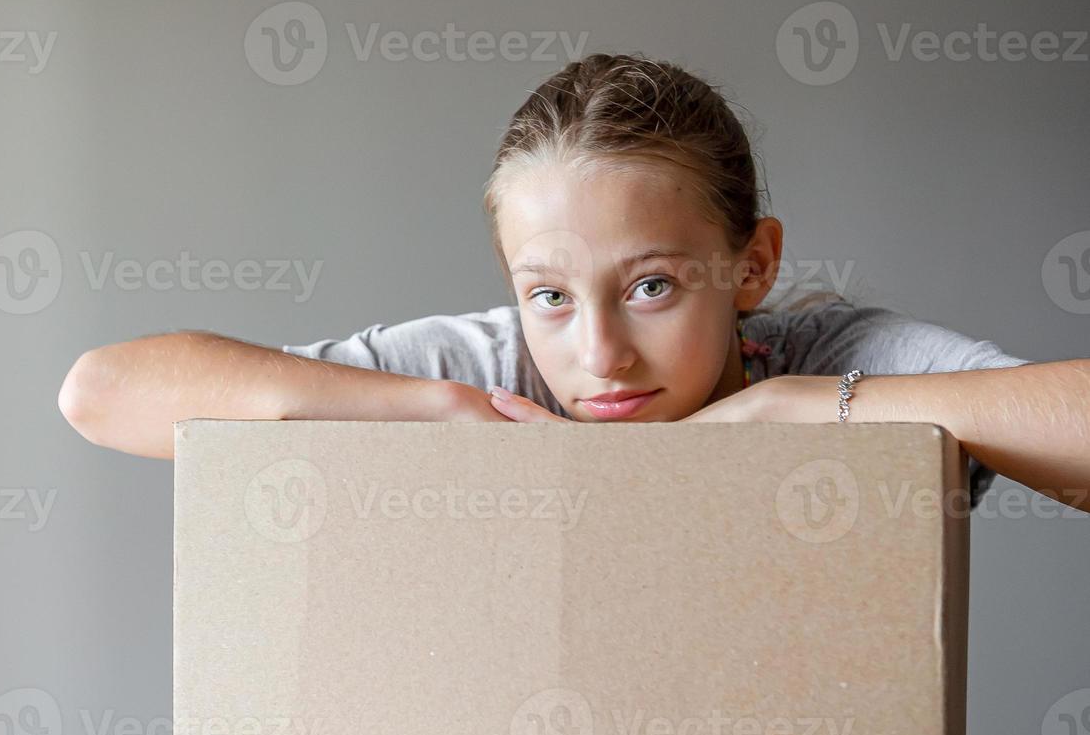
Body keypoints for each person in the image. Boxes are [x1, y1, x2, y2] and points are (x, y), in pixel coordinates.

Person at [58, 53, 1088, 512]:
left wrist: (793, 407)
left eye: (651, 287)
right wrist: (431, 405)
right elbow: (102, 391)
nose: (597, 354)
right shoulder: (488, 374)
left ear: (753, 263)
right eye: (548, 293)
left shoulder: (830, 359)